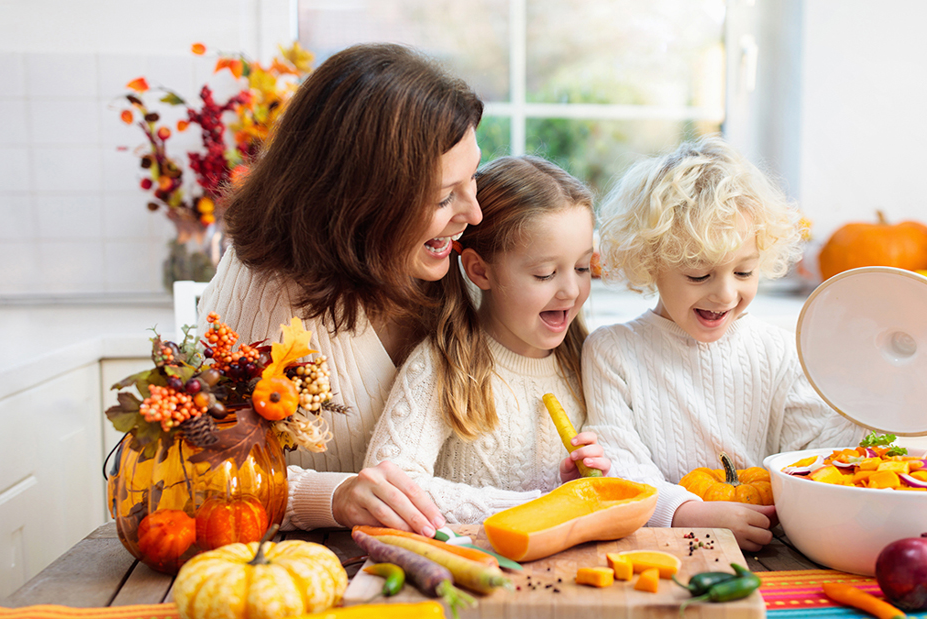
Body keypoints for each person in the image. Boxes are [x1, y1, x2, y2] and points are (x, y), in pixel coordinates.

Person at [197, 43, 484, 536]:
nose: (472, 214)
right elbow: (207, 475)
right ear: (360, 200)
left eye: (473, 177)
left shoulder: (462, 265)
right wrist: (334, 496)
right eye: (442, 197)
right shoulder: (261, 283)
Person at [582, 136, 867, 550]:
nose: (726, 295)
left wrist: (861, 408)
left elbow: (808, 459)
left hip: (773, 547)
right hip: (665, 546)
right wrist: (685, 513)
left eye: (745, 272)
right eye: (699, 275)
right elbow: (619, 465)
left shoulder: (779, 351)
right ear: (650, 262)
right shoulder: (613, 352)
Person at [364, 155, 611, 523]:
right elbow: (392, 485)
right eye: (545, 274)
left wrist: (583, 485)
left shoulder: (586, 361)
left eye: (581, 268)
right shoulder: (443, 363)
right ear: (480, 270)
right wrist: (540, 507)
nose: (571, 290)